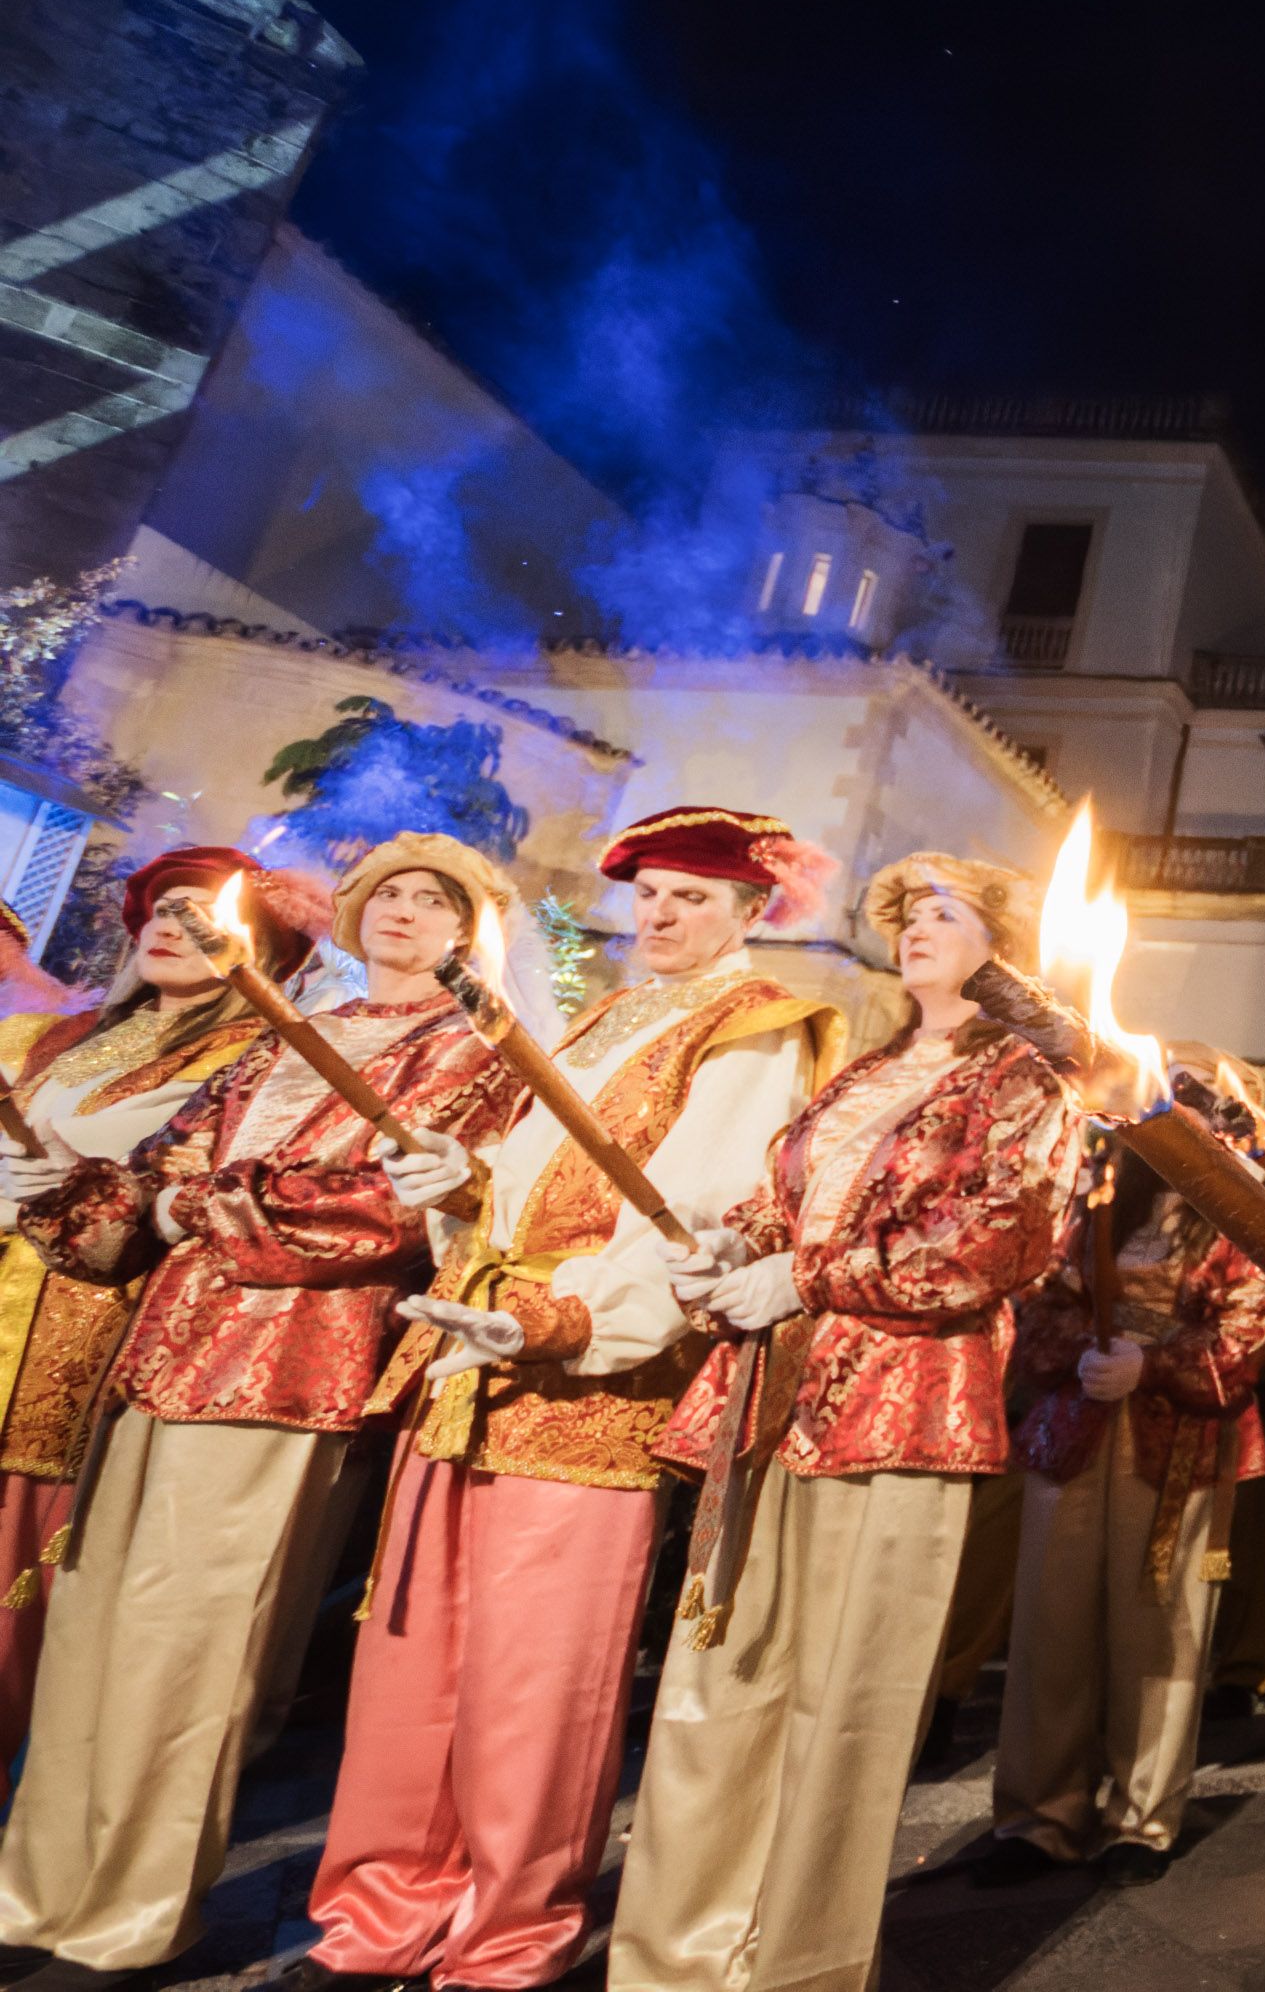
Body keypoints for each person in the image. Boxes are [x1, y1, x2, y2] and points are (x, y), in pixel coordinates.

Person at [296, 808, 845, 1992]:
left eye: (692, 897)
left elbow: (689, 1210)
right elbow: (535, 1180)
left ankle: (503, 1938)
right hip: (470, 1346)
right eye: (649, 893)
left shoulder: (758, 1025)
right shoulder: (608, 1012)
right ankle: (384, 1913)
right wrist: (463, 1186)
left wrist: (569, 1318)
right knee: (414, 1658)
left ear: (755, 911)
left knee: (534, 1676)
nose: (659, 914)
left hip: (590, 1369)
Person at [0, 833, 518, 1992]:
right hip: (158, 1356)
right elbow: (158, 1164)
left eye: (436, 900)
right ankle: (31, 1892)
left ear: (471, 931)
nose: (404, 912)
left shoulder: (474, 1050)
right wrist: (75, 1190)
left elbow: (378, 1211)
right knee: (93, 1626)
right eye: (388, 894)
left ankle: (131, 1914)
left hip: (288, 1368)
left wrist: (192, 1206)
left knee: (194, 1648)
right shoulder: (306, 1030)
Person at [608, 851, 1083, 1992]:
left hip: (903, 1402)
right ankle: (676, 1955)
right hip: (773, 1396)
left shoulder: (1027, 1079)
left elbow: (996, 1243)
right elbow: (786, 1197)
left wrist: (810, 1276)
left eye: (949, 913)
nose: (919, 928)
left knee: (844, 1707)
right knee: (723, 1677)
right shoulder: (864, 1068)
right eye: (909, 912)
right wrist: (738, 1244)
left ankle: (800, 1967)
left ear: (1003, 941)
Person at [0, 854, 324, 1805]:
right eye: (161, 909)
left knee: (25, 1548)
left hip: (84, 1319)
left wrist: (67, 1181)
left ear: (255, 951)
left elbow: (180, 1189)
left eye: (202, 916)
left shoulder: (251, 1061)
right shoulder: (55, 1035)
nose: (171, 925)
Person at [972, 1044, 1265, 1890]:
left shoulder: (1245, 1214)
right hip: (1076, 1426)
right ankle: (1039, 1812)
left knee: (1156, 1627)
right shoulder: (1100, 1198)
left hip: (1171, 1439)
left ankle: (1139, 1814)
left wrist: (1150, 1366)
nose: (1175, 1104)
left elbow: (1252, 1329)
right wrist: (1083, 1351)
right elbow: (1044, 1298)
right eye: (1167, 1092)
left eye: (1193, 1094)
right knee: (1051, 1621)